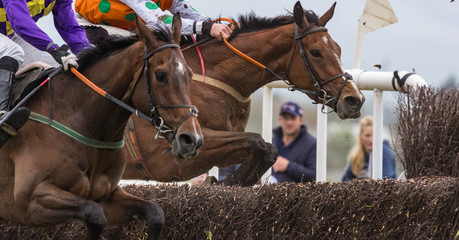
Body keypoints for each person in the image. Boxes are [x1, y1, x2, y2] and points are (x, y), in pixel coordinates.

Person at [0, 0, 91, 146]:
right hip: (12, 33)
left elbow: (69, 27)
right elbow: (20, 22)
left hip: (9, 35)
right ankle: (1, 117)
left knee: (54, 67)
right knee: (13, 51)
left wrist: (89, 53)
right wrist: (54, 49)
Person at [75, 0, 233, 40]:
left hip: (130, 28)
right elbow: (160, 20)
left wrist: (222, 27)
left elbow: (190, 15)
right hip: (91, 28)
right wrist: (207, 28)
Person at [272, 101, 316, 183]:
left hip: (298, 195)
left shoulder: (313, 144)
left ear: (300, 120)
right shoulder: (272, 140)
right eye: (286, 118)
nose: (289, 122)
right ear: (280, 120)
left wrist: (288, 166)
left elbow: (315, 175)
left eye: (293, 118)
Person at [341, 116, 397, 181]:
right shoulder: (356, 154)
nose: (371, 140)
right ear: (360, 136)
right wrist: (362, 182)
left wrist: (358, 182)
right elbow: (345, 180)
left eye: (374, 135)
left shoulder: (384, 152)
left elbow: (384, 182)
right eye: (367, 135)